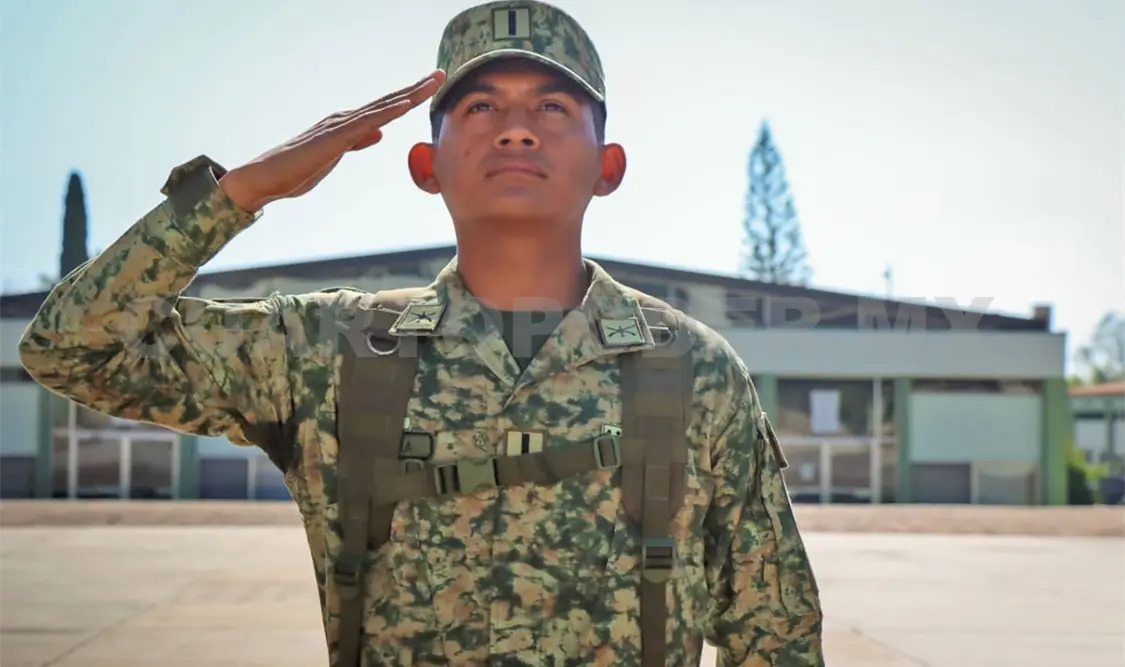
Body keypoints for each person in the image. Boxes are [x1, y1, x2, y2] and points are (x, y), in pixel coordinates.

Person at [18, 1, 825, 665]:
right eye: (479, 107)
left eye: (551, 107)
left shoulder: (692, 370)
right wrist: (237, 194)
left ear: (607, 165)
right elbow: (70, 346)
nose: (515, 130)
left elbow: (774, 631)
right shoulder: (329, 352)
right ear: (424, 165)